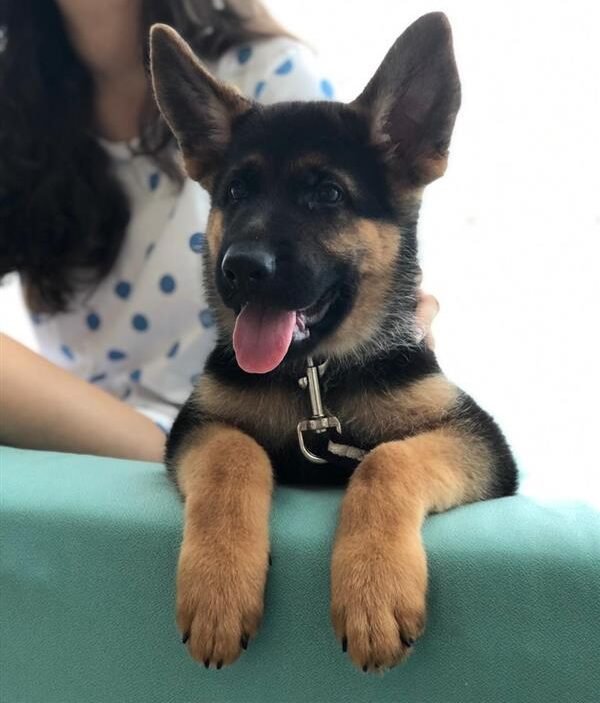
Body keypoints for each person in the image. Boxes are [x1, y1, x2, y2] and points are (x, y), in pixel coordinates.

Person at [0, 0, 439, 462]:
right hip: (58, 440)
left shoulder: (270, 75)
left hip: (231, 437)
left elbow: (378, 266)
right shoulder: (21, 106)